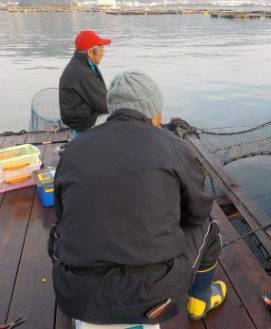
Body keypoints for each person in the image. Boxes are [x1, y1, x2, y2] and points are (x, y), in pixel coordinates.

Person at [50, 71, 226, 325]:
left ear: (111, 111)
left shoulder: (74, 149)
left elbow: (62, 215)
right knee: (209, 227)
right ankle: (200, 301)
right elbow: (198, 211)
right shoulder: (172, 146)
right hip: (155, 298)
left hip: (76, 296)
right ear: (154, 113)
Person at [59, 30, 112, 136]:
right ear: (91, 52)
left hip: (81, 118)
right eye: (101, 49)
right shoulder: (83, 72)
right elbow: (106, 105)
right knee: (123, 119)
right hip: (84, 123)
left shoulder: (81, 64)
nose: (103, 53)